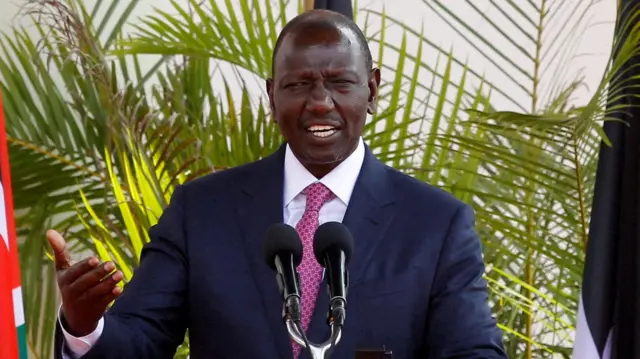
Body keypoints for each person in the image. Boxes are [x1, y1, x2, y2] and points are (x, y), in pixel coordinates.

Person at [48, 9, 507, 359]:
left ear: (372, 90)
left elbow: (473, 351)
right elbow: (142, 339)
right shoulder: (201, 211)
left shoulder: (436, 223)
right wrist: (86, 326)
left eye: (340, 83)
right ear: (272, 95)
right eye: (299, 85)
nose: (320, 103)